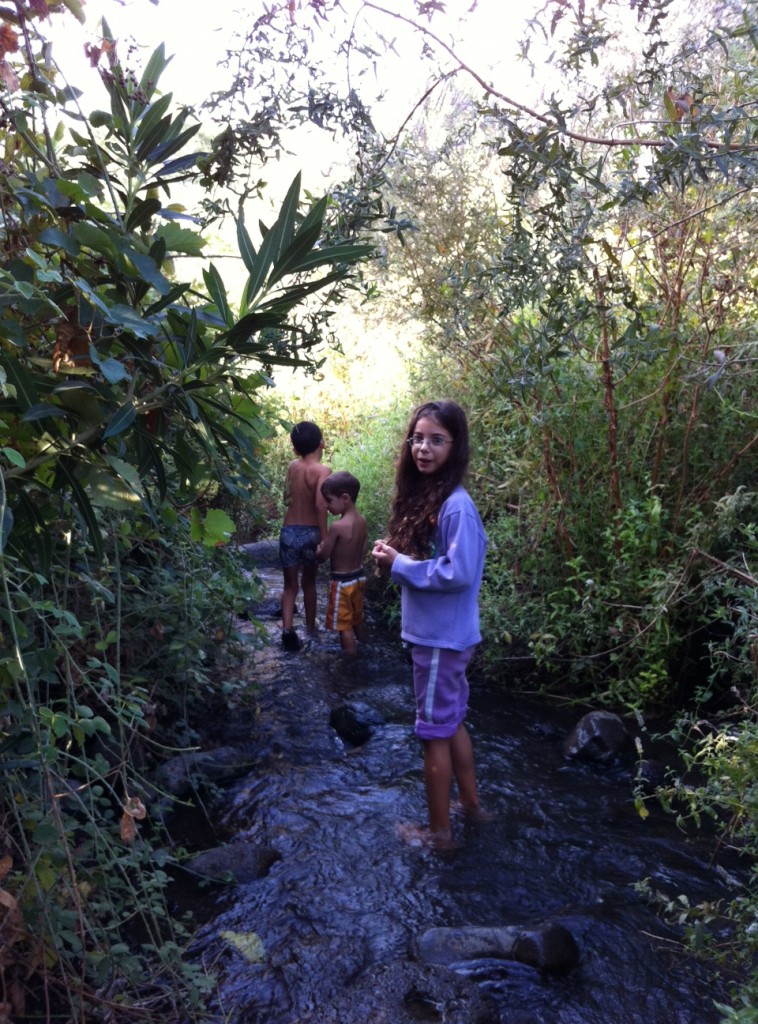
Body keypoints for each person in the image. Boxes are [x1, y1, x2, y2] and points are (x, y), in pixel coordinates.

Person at [372, 400, 487, 848]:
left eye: (436, 440)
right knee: (453, 722)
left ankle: (439, 834)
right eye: (418, 438)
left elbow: (459, 572)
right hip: (447, 635)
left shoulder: (456, 507)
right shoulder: (436, 498)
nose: (423, 448)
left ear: (455, 447)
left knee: (432, 733)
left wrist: (400, 564)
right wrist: (397, 558)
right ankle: (472, 808)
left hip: (440, 639)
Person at [279, 420, 332, 651]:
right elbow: (321, 506)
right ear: (322, 443)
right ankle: (311, 630)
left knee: (289, 586)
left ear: (295, 449)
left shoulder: (292, 466)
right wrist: (324, 537)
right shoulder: (323, 471)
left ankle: (287, 629)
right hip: (311, 532)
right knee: (309, 584)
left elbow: (286, 498)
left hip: (288, 531)